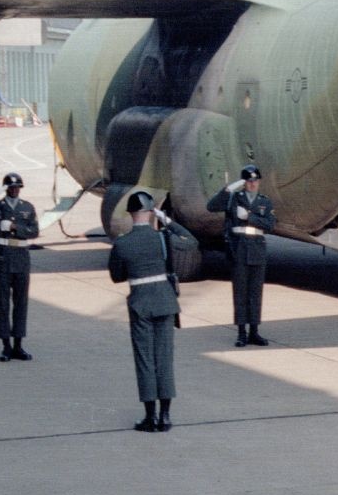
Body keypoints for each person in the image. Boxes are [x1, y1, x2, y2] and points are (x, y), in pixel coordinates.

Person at [107, 190, 197, 431]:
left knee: (145, 359)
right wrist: (166, 220)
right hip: (165, 301)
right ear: (149, 213)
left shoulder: (123, 243)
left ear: (131, 214)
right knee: (164, 358)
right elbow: (191, 241)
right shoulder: (162, 238)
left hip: (140, 303)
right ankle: (165, 416)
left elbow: (116, 276)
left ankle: (150, 416)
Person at [207, 164, 275, 347]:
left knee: (255, 293)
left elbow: (270, 224)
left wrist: (249, 218)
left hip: (257, 250)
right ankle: (241, 333)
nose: (252, 184)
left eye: (255, 181)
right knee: (240, 293)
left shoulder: (264, 201)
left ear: (259, 182)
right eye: (249, 181)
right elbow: (211, 206)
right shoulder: (234, 199)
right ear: (244, 183)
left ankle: (254, 331)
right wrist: (228, 189)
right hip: (239, 249)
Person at [0, 171, 39, 361]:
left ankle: (18, 344)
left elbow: (34, 231)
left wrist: (14, 228)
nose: (14, 190)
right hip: (2, 260)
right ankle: (6, 346)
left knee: (21, 303)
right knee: (2, 304)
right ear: (6, 189)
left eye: (17, 187)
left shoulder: (27, 207)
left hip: (21, 259)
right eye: (11, 188)